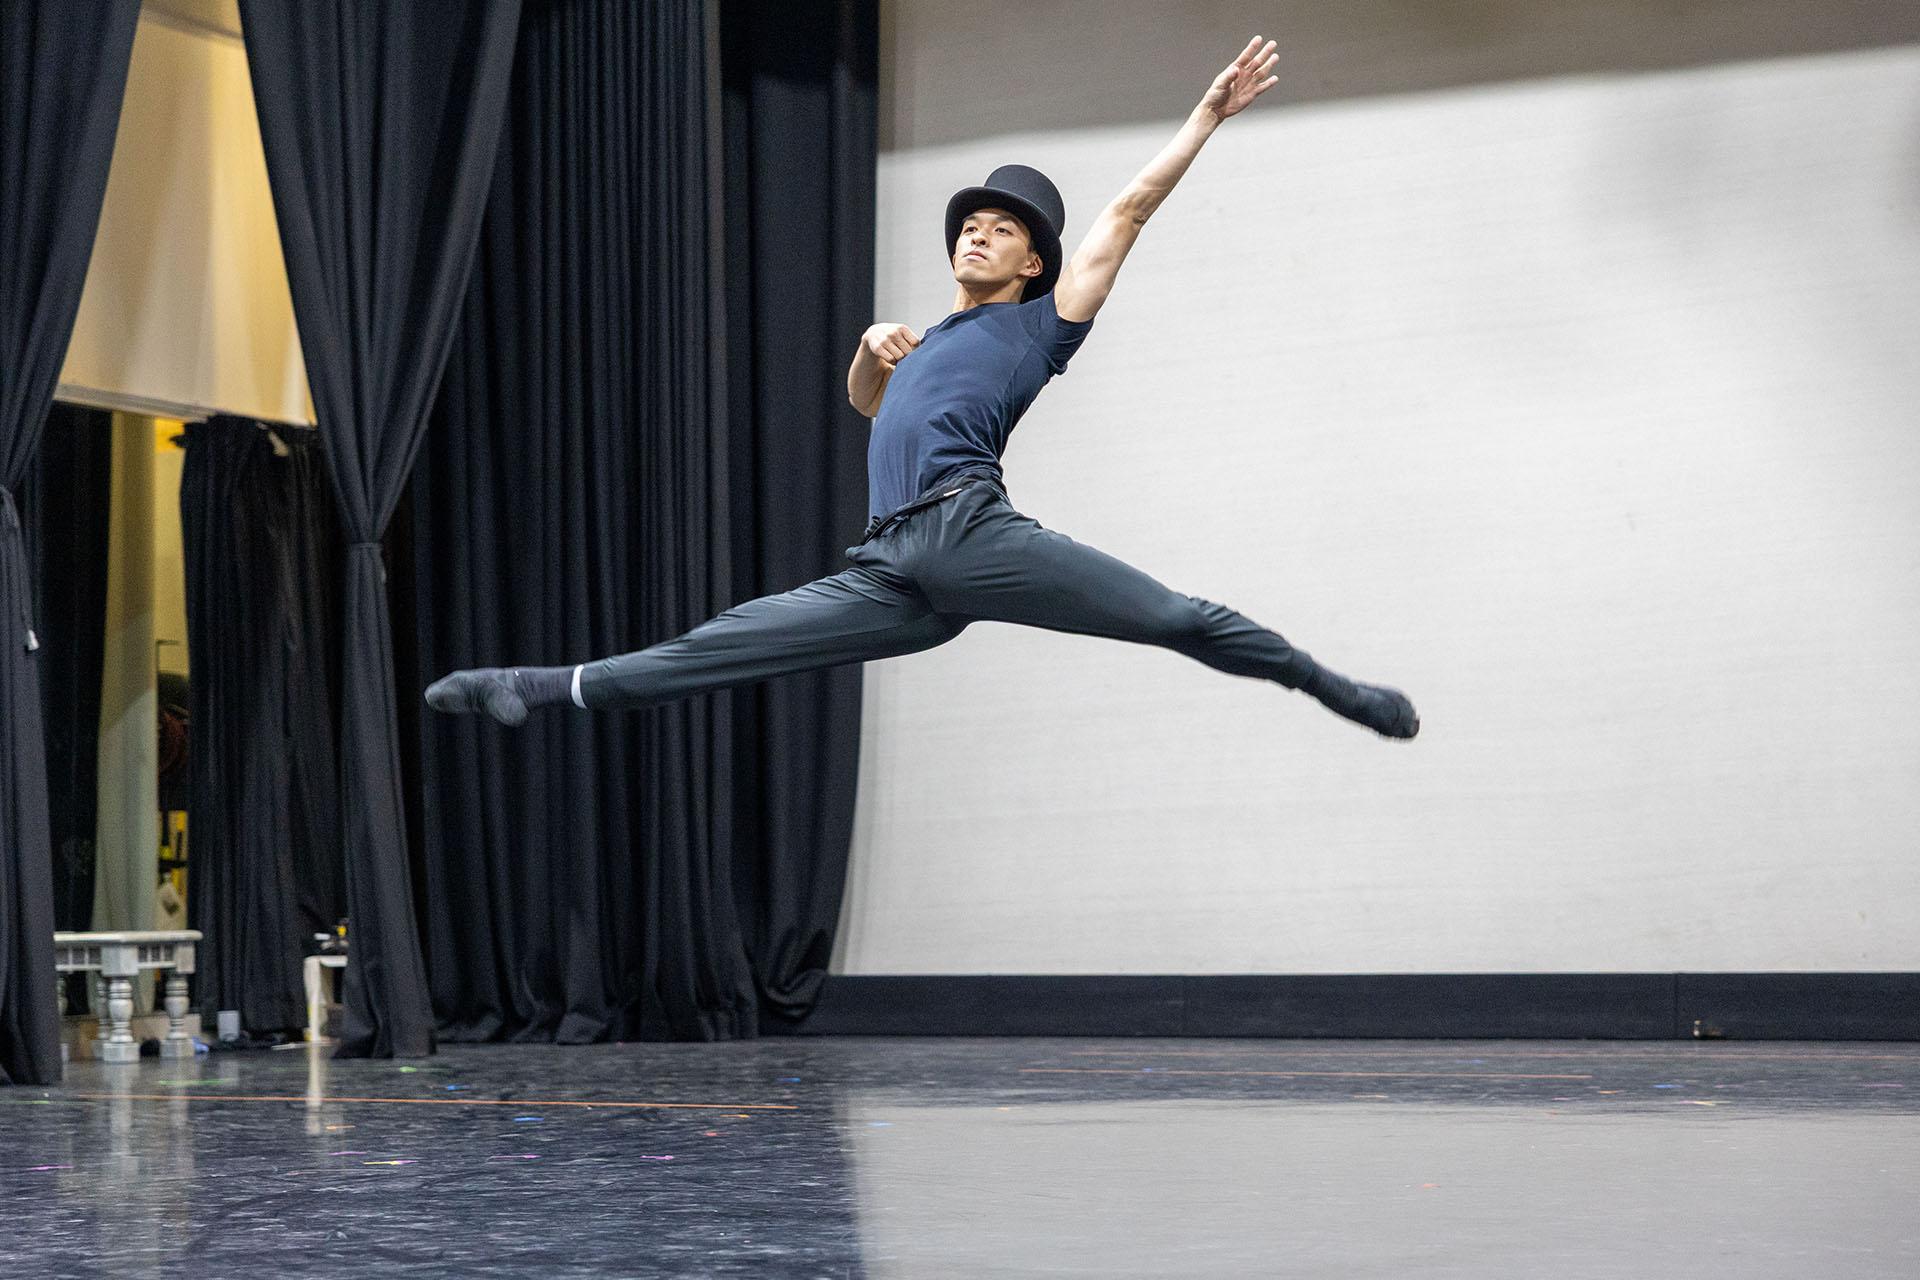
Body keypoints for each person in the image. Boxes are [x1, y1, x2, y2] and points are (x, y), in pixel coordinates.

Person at [427, 36, 1418, 741]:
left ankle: (1329, 685)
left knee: (1175, 619)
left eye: (1002, 229)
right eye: (971, 225)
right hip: (891, 569)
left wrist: (1205, 114)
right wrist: (869, 347)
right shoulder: (925, 338)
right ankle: (541, 687)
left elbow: (1126, 213)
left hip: (967, 531)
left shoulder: (1039, 325)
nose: (978, 234)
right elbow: (870, 407)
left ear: (1035, 263)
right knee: (727, 642)